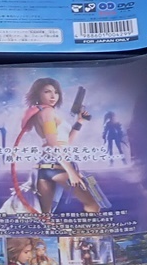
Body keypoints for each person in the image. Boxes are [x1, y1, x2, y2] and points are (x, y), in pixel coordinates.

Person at [19, 78, 100, 215]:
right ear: (38, 94)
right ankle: (89, 230)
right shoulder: (47, 112)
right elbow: (53, 145)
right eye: (47, 92)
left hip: (45, 167)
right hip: (57, 165)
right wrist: (71, 172)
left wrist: (79, 122)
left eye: (56, 92)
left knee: (46, 216)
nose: (53, 96)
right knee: (93, 205)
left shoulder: (41, 112)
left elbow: (65, 142)